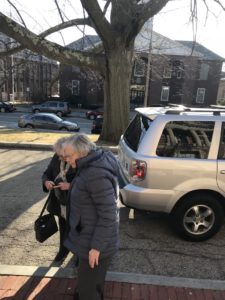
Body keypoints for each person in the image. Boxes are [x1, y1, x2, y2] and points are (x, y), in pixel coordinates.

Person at [63, 134, 120, 300]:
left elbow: (109, 215)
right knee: (91, 285)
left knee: (88, 290)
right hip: (87, 239)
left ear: (81, 153)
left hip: (94, 245)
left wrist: (96, 248)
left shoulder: (95, 174)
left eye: (68, 156)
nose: (66, 159)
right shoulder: (89, 165)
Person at [42, 136, 76, 262]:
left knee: (76, 228)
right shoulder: (57, 157)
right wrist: (46, 182)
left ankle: (77, 253)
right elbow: (46, 173)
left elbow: (87, 183)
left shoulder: (77, 159)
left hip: (74, 202)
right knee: (63, 227)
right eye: (59, 155)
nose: (61, 158)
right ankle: (63, 250)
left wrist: (70, 186)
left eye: (63, 155)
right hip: (59, 201)